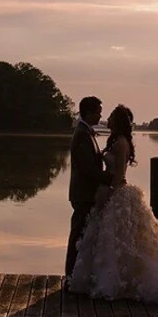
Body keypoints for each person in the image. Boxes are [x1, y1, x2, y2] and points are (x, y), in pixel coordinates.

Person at [70, 104, 158, 307]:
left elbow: (118, 176)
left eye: (110, 116)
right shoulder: (113, 140)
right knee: (115, 241)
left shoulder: (120, 143)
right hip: (110, 193)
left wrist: (107, 196)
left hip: (117, 195)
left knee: (121, 240)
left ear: (117, 122)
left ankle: (119, 282)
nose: (106, 118)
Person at [66, 96, 112, 280]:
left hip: (86, 193)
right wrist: (110, 178)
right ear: (89, 112)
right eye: (98, 112)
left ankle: (77, 274)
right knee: (77, 234)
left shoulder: (87, 132)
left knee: (83, 234)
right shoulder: (82, 134)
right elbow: (87, 168)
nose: (100, 115)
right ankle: (71, 275)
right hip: (83, 193)